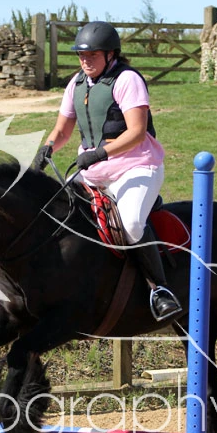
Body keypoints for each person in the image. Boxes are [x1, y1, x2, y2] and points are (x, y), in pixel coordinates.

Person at [33, 21, 182, 322]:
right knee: (55, 210)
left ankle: (160, 290)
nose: (85, 61)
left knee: (131, 224)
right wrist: (47, 148)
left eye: (92, 55)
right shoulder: (76, 84)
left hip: (136, 166)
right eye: (81, 55)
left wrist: (100, 152)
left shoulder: (127, 80)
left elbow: (137, 132)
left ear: (111, 54)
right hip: (93, 171)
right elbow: (62, 131)